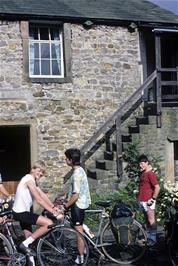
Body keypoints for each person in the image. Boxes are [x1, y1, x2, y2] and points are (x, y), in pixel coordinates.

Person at [12, 160, 62, 266]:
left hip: (24, 211)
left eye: (42, 172)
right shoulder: (28, 179)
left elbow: (42, 195)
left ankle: (31, 262)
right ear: (33, 169)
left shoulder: (33, 180)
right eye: (39, 171)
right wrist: (53, 212)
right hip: (21, 212)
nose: (41, 174)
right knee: (48, 223)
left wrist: (53, 207)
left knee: (30, 237)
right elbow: (39, 199)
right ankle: (23, 244)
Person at [64, 148, 91, 265]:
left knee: (78, 233)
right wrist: (65, 197)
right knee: (79, 230)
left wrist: (66, 205)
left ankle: (80, 257)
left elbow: (75, 195)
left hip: (78, 205)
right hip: (81, 204)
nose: (65, 160)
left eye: (66, 158)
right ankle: (84, 248)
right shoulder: (80, 170)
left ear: (70, 160)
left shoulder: (76, 174)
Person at [138, 154, 160, 246]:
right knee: (147, 220)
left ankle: (153, 239)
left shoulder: (151, 174)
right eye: (139, 164)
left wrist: (153, 199)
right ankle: (148, 237)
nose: (140, 165)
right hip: (142, 200)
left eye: (142, 163)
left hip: (149, 200)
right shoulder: (143, 173)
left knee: (151, 220)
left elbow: (157, 187)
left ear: (147, 163)